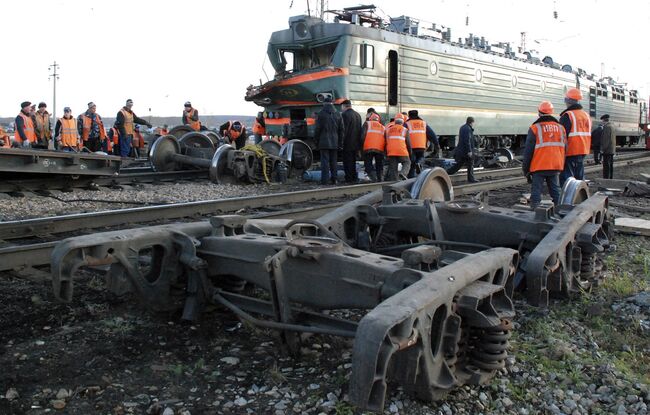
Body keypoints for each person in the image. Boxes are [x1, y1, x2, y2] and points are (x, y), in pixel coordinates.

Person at [521, 101, 566, 209]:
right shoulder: (561, 128)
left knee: (536, 193)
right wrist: (561, 164)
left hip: (539, 166)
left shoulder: (535, 128)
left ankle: (535, 213)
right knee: (556, 191)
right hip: (555, 165)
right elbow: (565, 148)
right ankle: (561, 212)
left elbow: (528, 151)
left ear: (539, 113)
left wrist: (526, 169)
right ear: (551, 113)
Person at [559, 88, 591, 185]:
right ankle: (580, 197)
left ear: (568, 101)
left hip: (570, 150)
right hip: (583, 150)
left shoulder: (568, 115)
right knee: (579, 178)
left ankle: (568, 199)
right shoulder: (586, 115)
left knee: (568, 180)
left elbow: (562, 136)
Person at [314, 96, 344, 185]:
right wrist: (340, 142)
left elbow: (317, 129)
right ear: (332, 103)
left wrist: (316, 140)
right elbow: (341, 130)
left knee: (325, 162)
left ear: (324, 104)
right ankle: (335, 179)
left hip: (323, 142)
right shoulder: (338, 114)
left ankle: (325, 180)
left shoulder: (321, 114)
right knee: (334, 161)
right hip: (335, 142)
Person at [405, 109, 440, 178]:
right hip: (421, 146)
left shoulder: (407, 124)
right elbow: (432, 135)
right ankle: (419, 163)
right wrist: (436, 144)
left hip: (411, 146)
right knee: (420, 157)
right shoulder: (423, 123)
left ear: (409, 116)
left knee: (412, 162)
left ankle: (411, 177)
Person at [445, 117, 477, 182]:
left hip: (462, 150)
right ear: (472, 122)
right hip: (466, 150)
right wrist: (469, 151)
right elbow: (467, 140)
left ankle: (448, 172)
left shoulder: (463, 127)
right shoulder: (468, 129)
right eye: (473, 123)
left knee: (459, 164)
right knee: (470, 164)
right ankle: (471, 179)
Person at [340, 99, 363, 183]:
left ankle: (348, 178)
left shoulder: (345, 115)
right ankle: (354, 177)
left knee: (347, 161)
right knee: (353, 161)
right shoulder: (358, 115)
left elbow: (344, 130)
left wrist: (341, 142)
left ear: (344, 106)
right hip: (356, 143)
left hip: (347, 143)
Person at [385, 116, 411, 181]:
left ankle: (394, 182)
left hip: (391, 151)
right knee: (407, 162)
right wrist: (410, 152)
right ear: (402, 122)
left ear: (395, 122)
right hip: (401, 150)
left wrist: (386, 153)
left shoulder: (388, 130)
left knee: (393, 168)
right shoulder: (405, 130)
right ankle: (403, 173)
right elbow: (408, 143)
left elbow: (385, 141)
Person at [361, 112, 386, 182]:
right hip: (380, 149)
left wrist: (362, 145)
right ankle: (380, 178)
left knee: (368, 163)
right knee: (379, 165)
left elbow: (362, 136)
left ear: (370, 118)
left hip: (368, 147)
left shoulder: (367, 124)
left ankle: (373, 177)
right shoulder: (383, 127)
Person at [600, 114, 616, 179]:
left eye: (602, 121)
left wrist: (602, 149)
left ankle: (606, 179)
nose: (602, 122)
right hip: (611, 150)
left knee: (606, 166)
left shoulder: (606, 127)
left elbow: (606, 139)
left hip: (607, 150)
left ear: (604, 120)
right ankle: (610, 178)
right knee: (610, 165)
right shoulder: (612, 126)